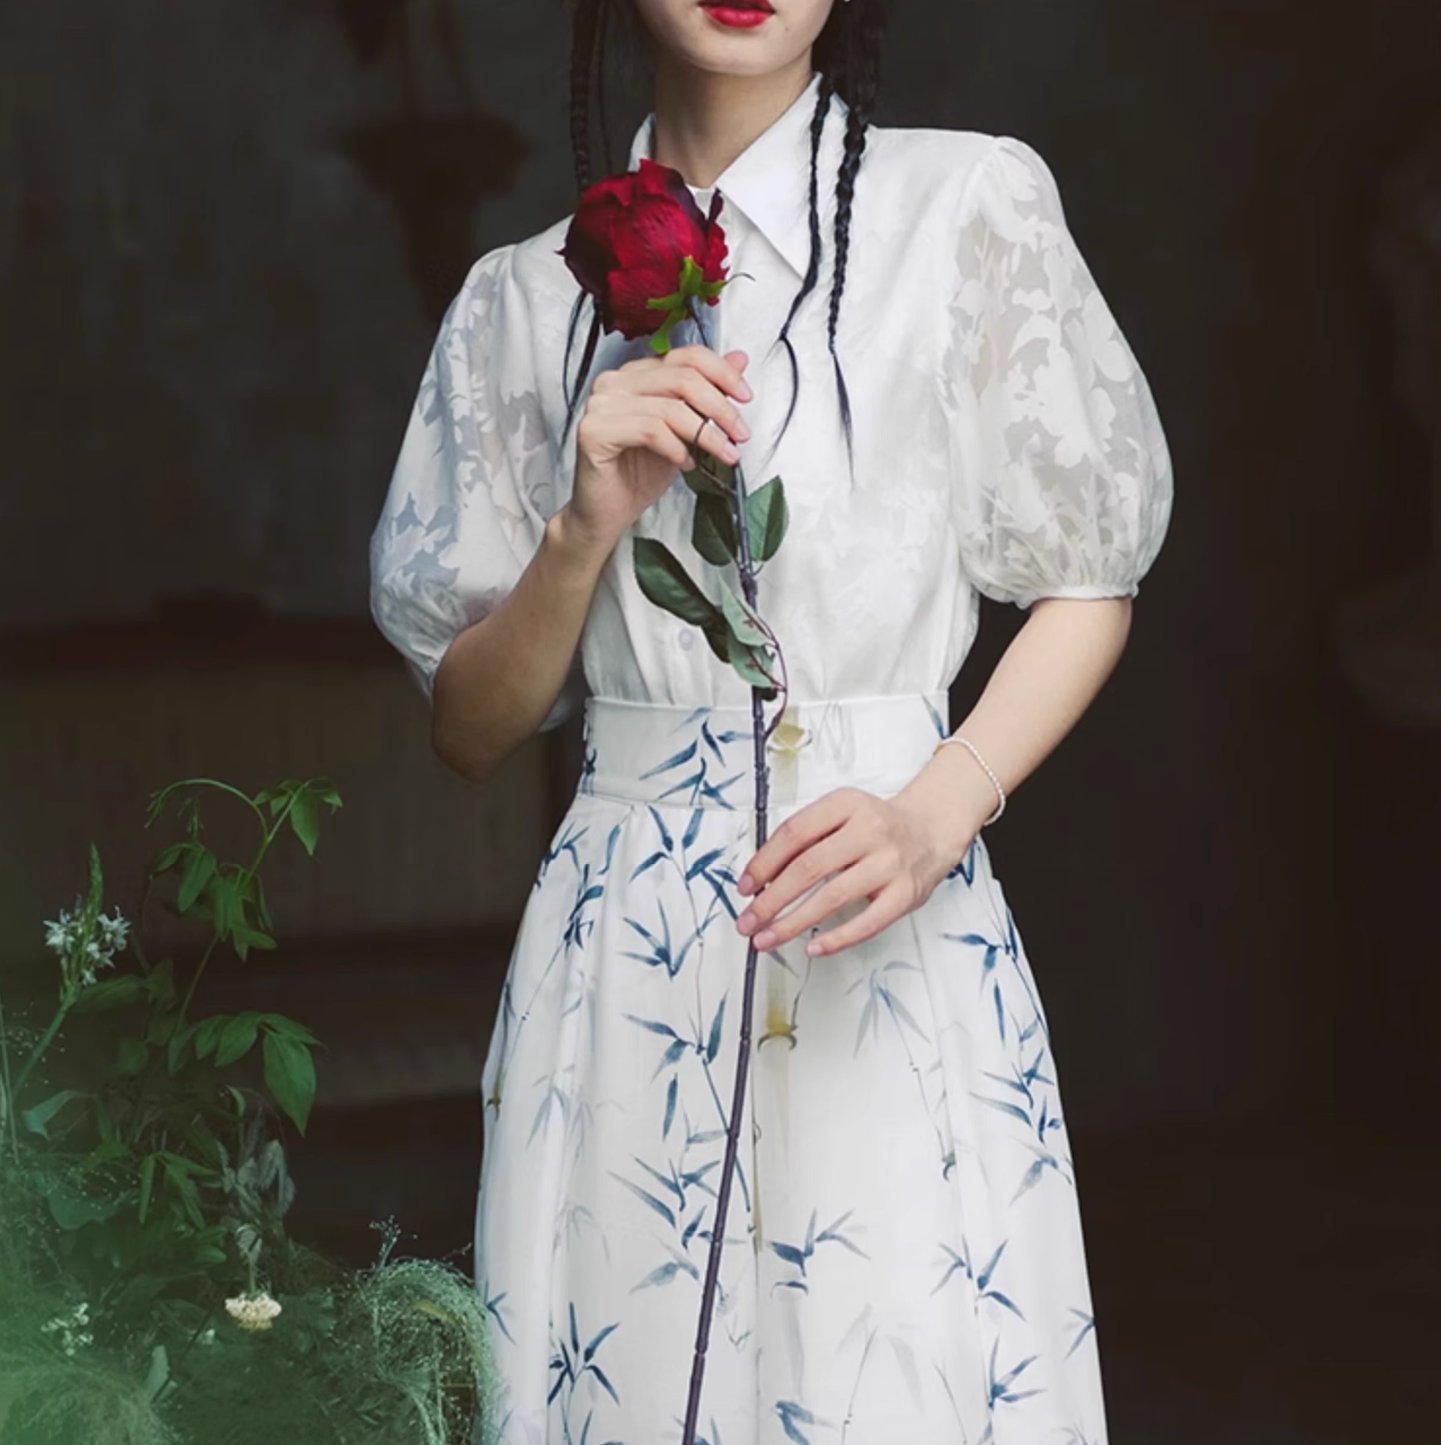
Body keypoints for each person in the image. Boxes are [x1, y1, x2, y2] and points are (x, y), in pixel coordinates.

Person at [368, 1, 1174, 1441]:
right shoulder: (524, 301)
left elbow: (1089, 579)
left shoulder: (964, 206)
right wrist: (582, 528)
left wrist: (935, 811)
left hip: (889, 920)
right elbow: (473, 728)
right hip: (626, 956)